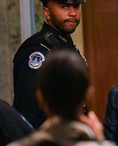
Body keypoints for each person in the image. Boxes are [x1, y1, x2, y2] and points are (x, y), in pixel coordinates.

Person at [13, 0, 86, 129]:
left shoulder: (65, 44)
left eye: (76, 6)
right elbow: (30, 113)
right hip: (47, 143)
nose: (73, 13)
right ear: (47, 13)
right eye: (64, 6)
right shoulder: (38, 51)